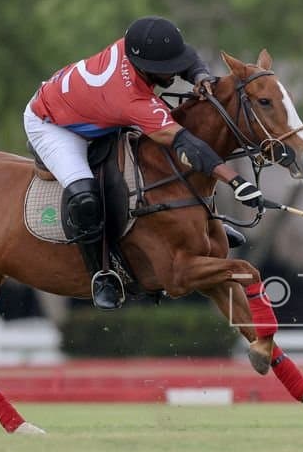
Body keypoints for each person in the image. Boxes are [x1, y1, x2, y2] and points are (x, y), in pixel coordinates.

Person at [25, 16, 263, 310]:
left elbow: (185, 57)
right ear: (145, 67)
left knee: (155, 160)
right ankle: (102, 273)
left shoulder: (138, 45)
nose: (174, 73)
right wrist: (236, 181)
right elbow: (187, 144)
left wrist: (201, 76)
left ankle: (196, 224)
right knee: (85, 196)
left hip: (93, 112)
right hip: (55, 125)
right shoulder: (130, 98)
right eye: (167, 70)